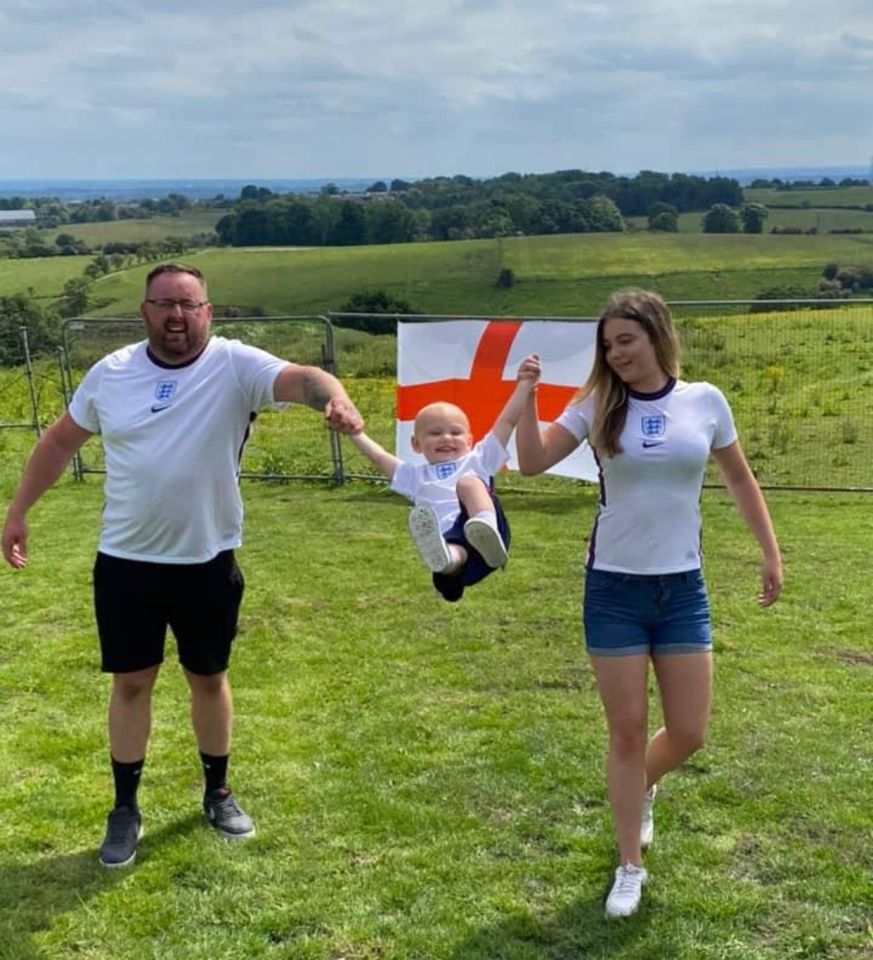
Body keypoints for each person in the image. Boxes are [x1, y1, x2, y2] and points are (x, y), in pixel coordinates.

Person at [2, 263, 363, 869]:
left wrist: (336, 399)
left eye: (188, 304)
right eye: (164, 304)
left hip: (206, 561)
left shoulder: (234, 365)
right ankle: (124, 808)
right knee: (132, 683)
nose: (176, 315)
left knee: (208, 680)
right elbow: (59, 441)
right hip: (125, 562)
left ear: (208, 312)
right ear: (143, 310)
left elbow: (304, 379)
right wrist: (17, 511)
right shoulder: (110, 373)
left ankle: (217, 791)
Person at [514, 290, 782, 919]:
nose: (616, 354)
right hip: (613, 588)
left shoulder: (706, 400)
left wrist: (770, 551)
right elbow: (529, 463)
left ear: (657, 336)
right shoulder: (597, 406)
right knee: (627, 731)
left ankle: (643, 789)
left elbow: (739, 478)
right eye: (607, 345)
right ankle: (629, 862)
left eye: (625, 341)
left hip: (682, 588)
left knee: (689, 732)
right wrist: (524, 400)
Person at [348, 372, 536, 602]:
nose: (446, 438)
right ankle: (447, 560)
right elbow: (378, 456)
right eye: (435, 433)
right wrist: (354, 433)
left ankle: (485, 530)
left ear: (469, 440)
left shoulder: (478, 459)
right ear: (416, 444)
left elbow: (506, 422)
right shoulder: (415, 477)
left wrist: (524, 385)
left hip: (488, 531)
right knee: (453, 553)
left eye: (455, 432)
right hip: (455, 542)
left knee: (468, 483)